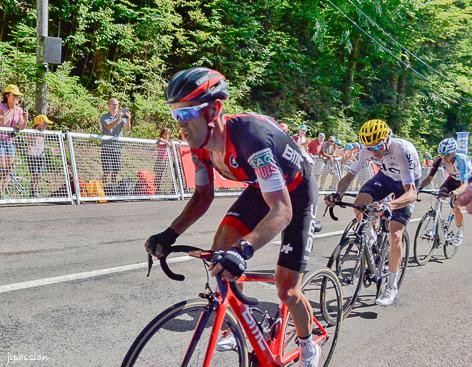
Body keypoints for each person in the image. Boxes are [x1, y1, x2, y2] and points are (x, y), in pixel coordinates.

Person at [144, 67, 321, 366]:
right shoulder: (201, 147)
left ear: (214, 110)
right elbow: (203, 196)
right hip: (260, 186)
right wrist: (170, 233)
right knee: (221, 247)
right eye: (176, 116)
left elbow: (282, 209)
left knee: (287, 289)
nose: (181, 126)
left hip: (296, 191)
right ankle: (239, 323)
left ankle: (307, 347)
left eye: (187, 115)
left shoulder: (252, 139)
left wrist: (245, 249)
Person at [325, 119, 421, 306]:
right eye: (369, 148)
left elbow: (411, 193)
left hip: (406, 184)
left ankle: (391, 285)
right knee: (358, 204)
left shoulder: (402, 150)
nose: (374, 151)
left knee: (395, 235)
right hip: (385, 177)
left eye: (377, 146)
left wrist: (390, 206)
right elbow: (348, 178)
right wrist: (337, 194)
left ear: (387, 139)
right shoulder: (366, 150)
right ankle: (370, 236)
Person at [419, 138, 471, 246]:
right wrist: (418, 188)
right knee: (440, 195)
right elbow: (429, 179)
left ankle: (459, 232)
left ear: (454, 153)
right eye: (441, 154)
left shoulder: (461, 160)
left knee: (456, 206)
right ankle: (436, 225)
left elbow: (464, 184)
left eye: (446, 155)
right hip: (452, 179)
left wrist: (456, 192)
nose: (443, 157)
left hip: (466, 181)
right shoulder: (439, 160)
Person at [0, 84, 28, 196]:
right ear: (7, 95)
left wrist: (25, 120)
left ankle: (2, 192)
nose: (17, 98)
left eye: (18, 96)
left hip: (10, 141)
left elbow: (21, 126)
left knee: (8, 168)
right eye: (14, 96)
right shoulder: (1, 107)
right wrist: (9, 111)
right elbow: (2, 122)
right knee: (1, 167)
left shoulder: (19, 110)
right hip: (0, 141)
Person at [100, 98, 131, 194]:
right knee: (107, 171)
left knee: (115, 171)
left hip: (117, 148)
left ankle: (113, 190)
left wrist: (129, 119)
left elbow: (127, 128)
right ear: (108, 105)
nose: (115, 106)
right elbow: (108, 126)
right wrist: (118, 119)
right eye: (113, 104)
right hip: (106, 147)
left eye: (117, 105)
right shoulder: (104, 117)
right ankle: (103, 190)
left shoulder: (121, 117)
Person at [26, 115, 53, 197]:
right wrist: (30, 148)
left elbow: (42, 145)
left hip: (41, 155)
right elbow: (28, 142)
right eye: (45, 123)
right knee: (34, 174)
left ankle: (36, 190)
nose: (47, 125)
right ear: (40, 123)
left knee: (39, 174)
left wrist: (50, 148)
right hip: (33, 156)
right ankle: (32, 191)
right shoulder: (32, 132)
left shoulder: (43, 133)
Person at [154, 127, 171, 192]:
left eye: (168, 134)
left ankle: (157, 188)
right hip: (159, 160)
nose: (167, 136)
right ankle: (155, 187)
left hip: (164, 161)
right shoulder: (161, 141)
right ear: (162, 134)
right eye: (165, 134)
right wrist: (166, 142)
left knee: (160, 175)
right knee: (157, 175)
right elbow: (159, 140)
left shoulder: (168, 142)